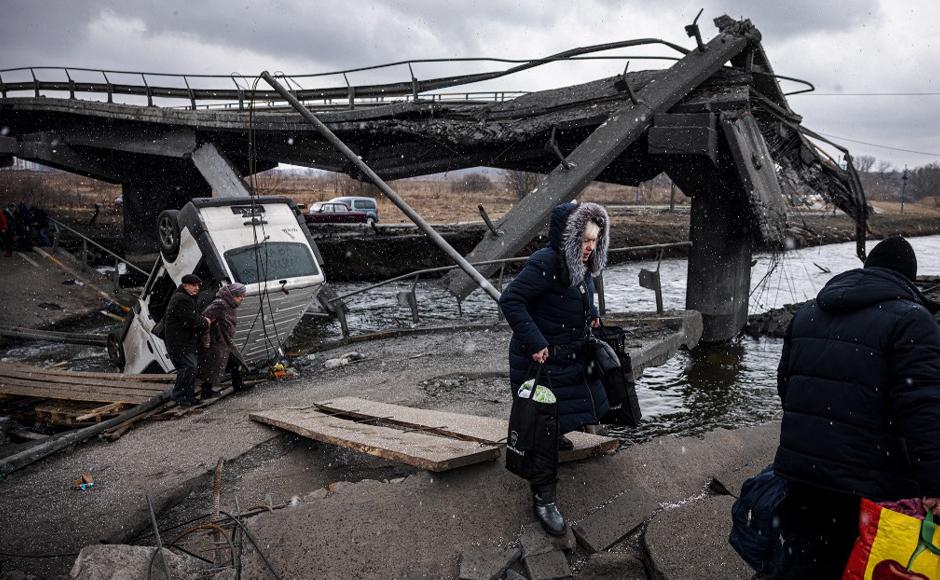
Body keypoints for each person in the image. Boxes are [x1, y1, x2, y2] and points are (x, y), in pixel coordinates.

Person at [773, 235, 940, 578]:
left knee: (807, 567)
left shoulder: (808, 312)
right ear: (908, 277)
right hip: (869, 488)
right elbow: (925, 411)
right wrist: (934, 484)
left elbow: (786, 388)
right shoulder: (913, 320)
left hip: (801, 476)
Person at [499, 201, 610, 536]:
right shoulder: (545, 262)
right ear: (568, 237)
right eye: (584, 240)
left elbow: (577, 297)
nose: (590, 247)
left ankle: (556, 434)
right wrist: (535, 342)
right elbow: (511, 300)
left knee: (558, 415)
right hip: (538, 360)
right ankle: (543, 498)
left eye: (595, 240)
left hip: (565, 358)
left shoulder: (581, 265)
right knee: (539, 427)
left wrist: (589, 316)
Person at [164, 274, 211, 406]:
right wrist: (206, 321)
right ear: (185, 286)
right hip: (179, 343)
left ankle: (188, 396)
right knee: (188, 367)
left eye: (198, 286)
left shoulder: (186, 297)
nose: (197, 288)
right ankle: (179, 395)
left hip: (184, 341)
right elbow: (192, 321)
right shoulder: (182, 299)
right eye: (193, 285)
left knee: (190, 368)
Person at [198, 283, 248, 399]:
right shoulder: (220, 304)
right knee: (213, 366)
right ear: (233, 295)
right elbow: (204, 319)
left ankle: (238, 385)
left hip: (225, 340)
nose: (242, 299)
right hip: (217, 341)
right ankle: (206, 392)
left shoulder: (229, 305)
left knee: (234, 362)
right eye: (240, 296)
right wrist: (207, 338)